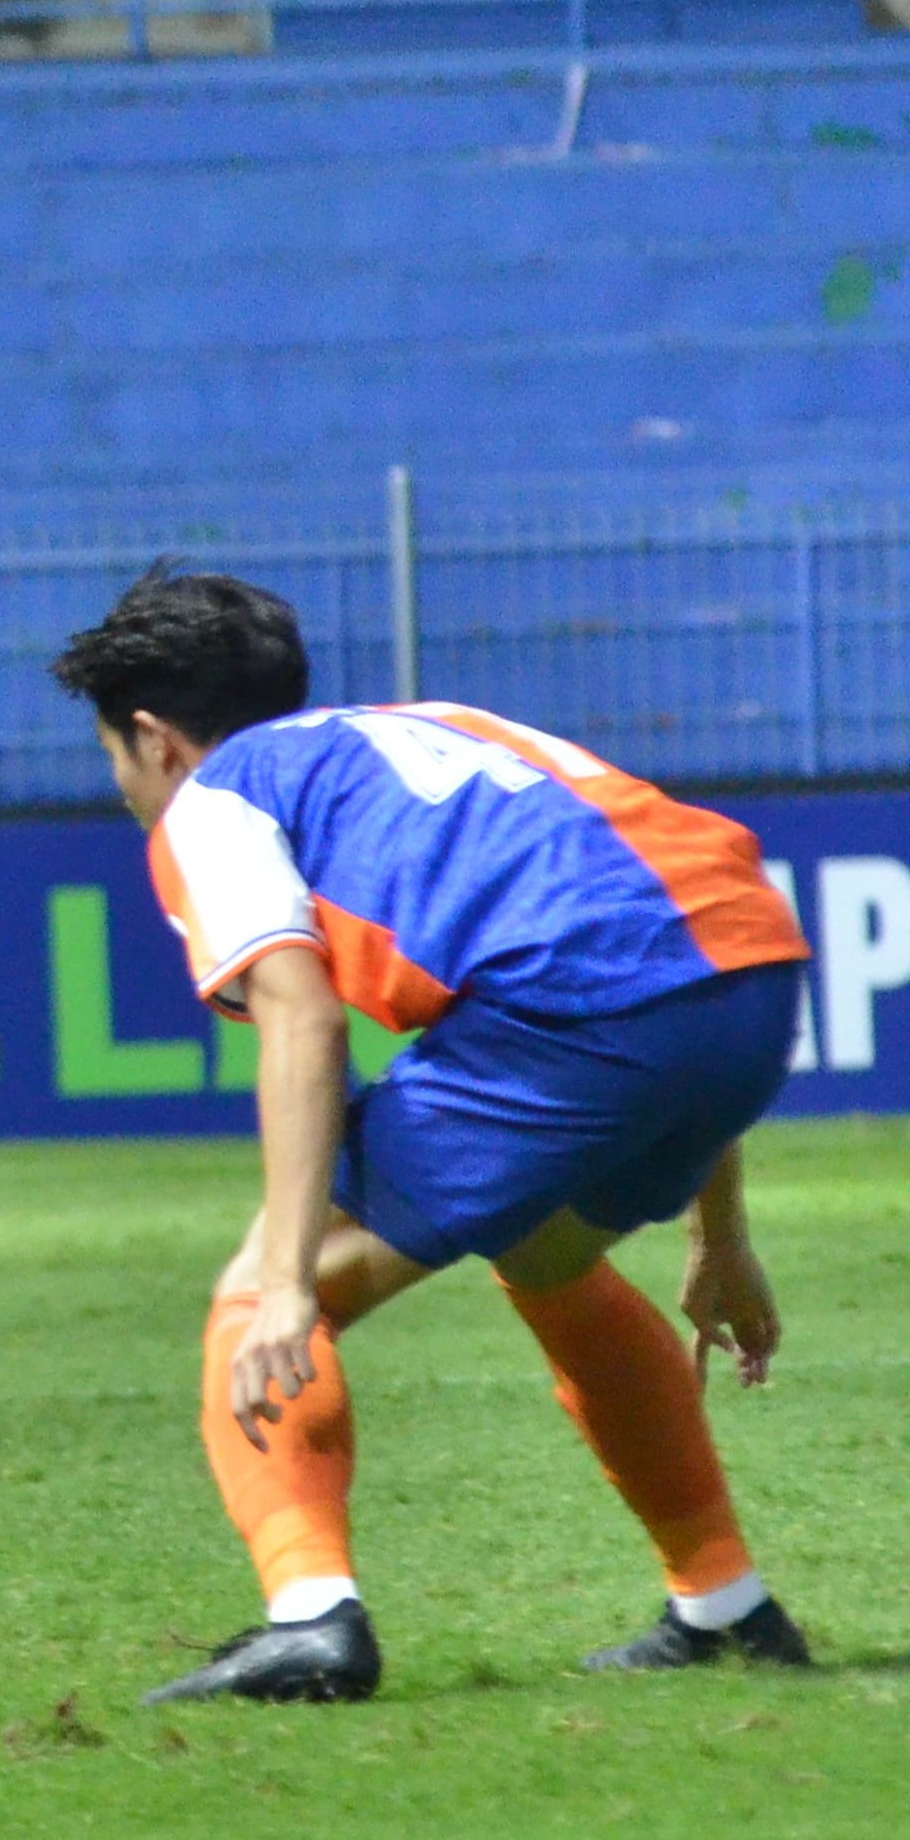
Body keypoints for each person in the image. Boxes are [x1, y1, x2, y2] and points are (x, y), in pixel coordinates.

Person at [50, 567, 815, 1707]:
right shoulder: (435, 723)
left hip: (578, 1006)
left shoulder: (215, 801)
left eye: (114, 756)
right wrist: (722, 1235)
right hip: (753, 969)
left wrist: (295, 1284)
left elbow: (301, 1020)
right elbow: (662, 922)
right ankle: (726, 1608)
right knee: (550, 1258)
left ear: (156, 738)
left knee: (255, 1296)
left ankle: (310, 1623)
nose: (123, 787)